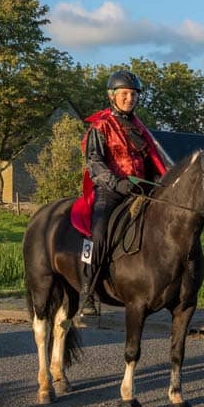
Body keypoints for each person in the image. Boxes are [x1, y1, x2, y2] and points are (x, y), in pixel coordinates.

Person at [77, 70, 167, 315]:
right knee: (97, 234)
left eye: (133, 94)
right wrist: (118, 183)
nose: (130, 98)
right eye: (125, 94)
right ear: (112, 96)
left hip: (140, 189)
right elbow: (95, 164)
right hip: (110, 190)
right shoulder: (101, 126)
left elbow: (152, 161)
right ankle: (87, 291)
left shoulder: (139, 128)